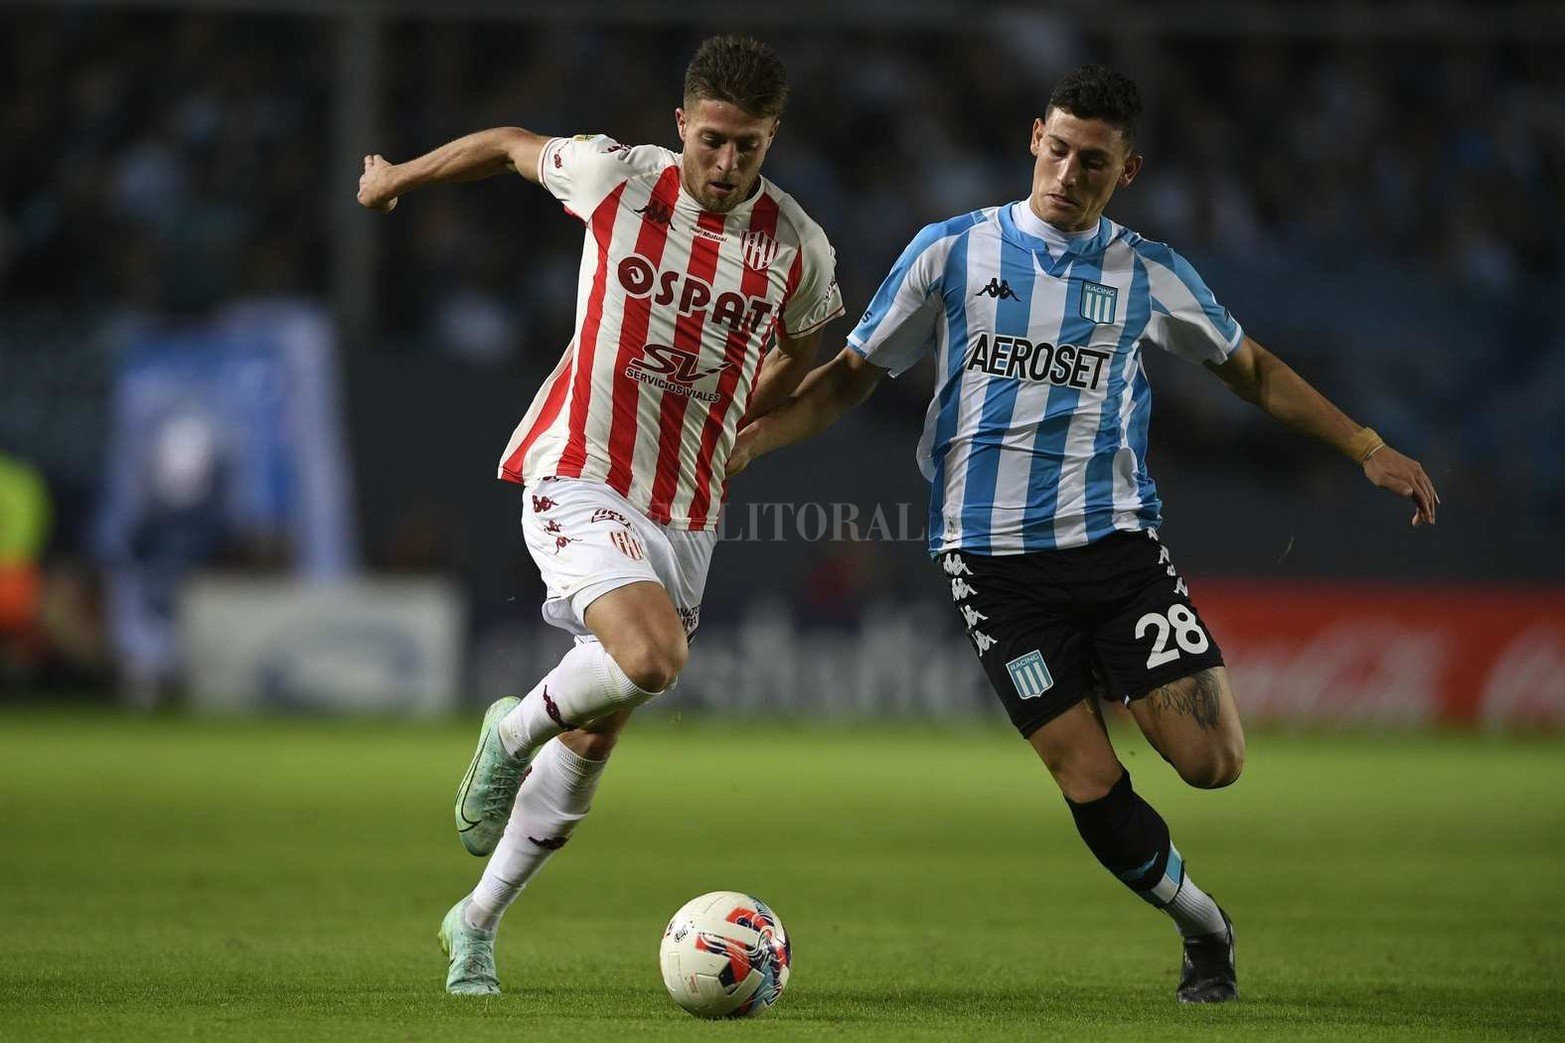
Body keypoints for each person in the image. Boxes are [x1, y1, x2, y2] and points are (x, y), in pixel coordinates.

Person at [728, 64, 1438, 1004]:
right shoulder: (951, 252)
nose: (1068, 173)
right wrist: (755, 440)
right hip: (991, 569)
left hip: (1116, 554)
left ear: (1127, 169)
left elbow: (1251, 369)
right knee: (1084, 769)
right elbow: (855, 373)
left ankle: (1129, 685)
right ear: (1033, 138)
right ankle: (1202, 924)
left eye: (1092, 162)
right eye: (1057, 150)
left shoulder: (1145, 271)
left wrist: (1364, 445)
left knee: (1212, 763)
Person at [355, 35, 843, 995]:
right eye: (712, 140)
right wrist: (394, 176)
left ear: (771, 136)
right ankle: (505, 732)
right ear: (681, 124)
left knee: (599, 734)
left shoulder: (799, 246)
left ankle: (475, 921)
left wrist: (744, 417)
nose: (726, 163)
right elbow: (504, 144)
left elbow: (802, 347)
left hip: (689, 507)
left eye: (747, 146)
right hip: (582, 469)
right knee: (652, 658)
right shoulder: (616, 176)